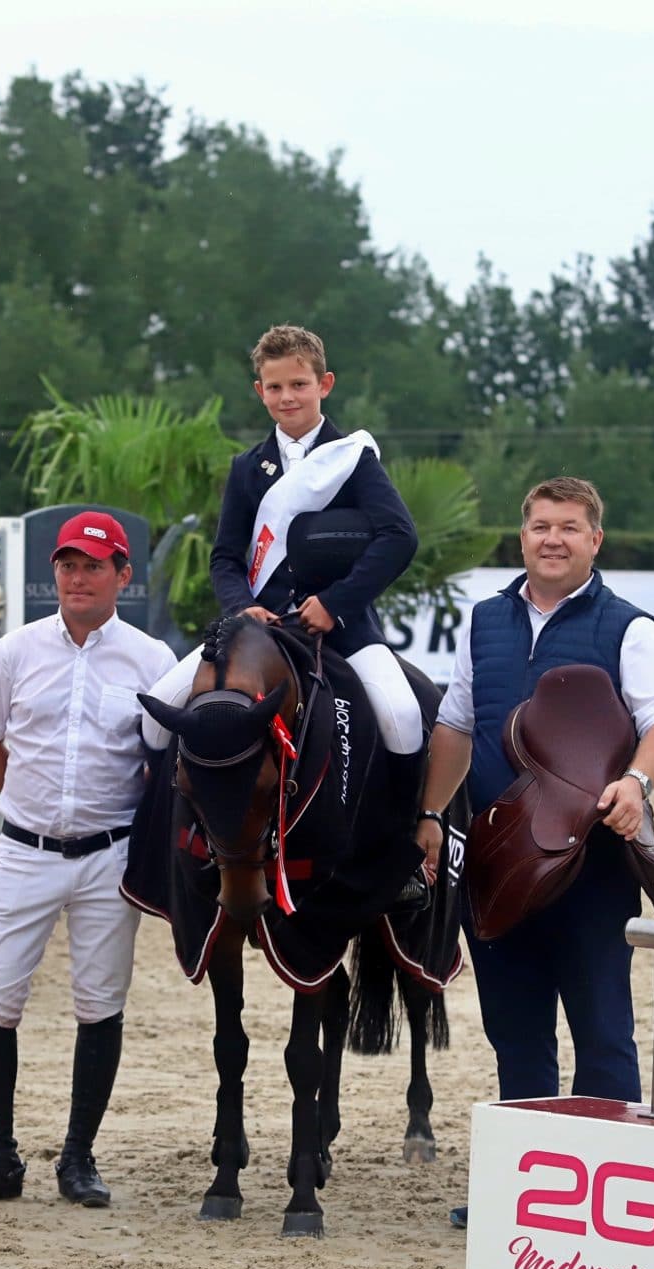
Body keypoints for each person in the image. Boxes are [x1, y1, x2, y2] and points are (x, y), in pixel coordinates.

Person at [413, 477, 654, 1229]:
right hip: (497, 865)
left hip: (591, 869)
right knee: (517, 1036)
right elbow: (456, 723)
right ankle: (526, 1193)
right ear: (523, 535)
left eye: (569, 527)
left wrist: (636, 782)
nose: (553, 539)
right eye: (541, 526)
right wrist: (431, 812)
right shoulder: (484, 621)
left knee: (602, 1034)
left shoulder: (629, 628)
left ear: (595, 539)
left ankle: (613, 1196)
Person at [0, 511, 177, 1211]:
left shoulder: (152, 661)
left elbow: (163, 762)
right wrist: (26, 800)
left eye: (93, 566)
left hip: (109, 854)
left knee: (100, 1002)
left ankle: (79, 1157)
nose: (77, 577)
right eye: (68, 565)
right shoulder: (15, 650)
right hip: (26, 848)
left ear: (122, 576)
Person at [143, 324, 426, 875]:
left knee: (403, 716)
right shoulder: (246, 468)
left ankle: (401, 858)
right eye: (274, 388)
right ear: (259, 391)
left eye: (298, 385)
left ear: (325, 384)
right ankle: (170, 846)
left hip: (341, 626)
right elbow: (226, 557)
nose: (287, 397)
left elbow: (400, 537)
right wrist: (241, 607)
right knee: (157, 713)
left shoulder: (353, 459)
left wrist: (336, 603)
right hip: (257, 631)